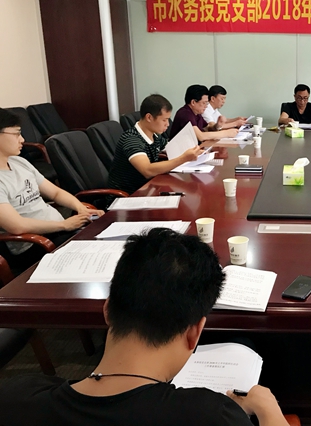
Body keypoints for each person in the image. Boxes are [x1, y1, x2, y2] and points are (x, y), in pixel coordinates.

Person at [0, 228, 288, 425]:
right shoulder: (213, 415)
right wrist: (268, 409)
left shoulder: (14, 398)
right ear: (194, 332)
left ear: (107, 310)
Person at [0, 108, 104, 272]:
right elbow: (17, 226)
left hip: (57, 231)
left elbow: (55, 192)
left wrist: (80, 208)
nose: (22, 139)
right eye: (16, 134)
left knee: (103, 236)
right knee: (97, 255)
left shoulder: (19, 162)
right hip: (34, 244)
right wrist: (64, 225)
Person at [108, 94, 204, 195]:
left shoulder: (154, 136)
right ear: (149, 117)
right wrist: (184, 158)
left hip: (148, 189)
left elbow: (170, 147)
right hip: (128, 196)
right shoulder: (131, 139)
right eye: (164, 120)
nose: (167, 124)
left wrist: (195, 150)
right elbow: (147, 170)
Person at [170, 85, 238, 142]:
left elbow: (207, 128)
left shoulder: (197, 113)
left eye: (207, 103)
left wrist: (217, 126)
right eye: (204, 103)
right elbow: (201, 136)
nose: (206, 106)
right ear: (193, 102)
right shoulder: (185, 114)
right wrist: (226, 133)